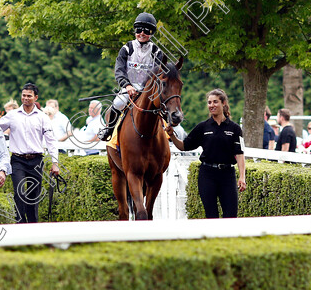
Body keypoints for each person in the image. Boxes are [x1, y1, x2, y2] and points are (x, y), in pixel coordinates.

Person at [167, 89, 246, 218]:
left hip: (227, 175)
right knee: (211, 215)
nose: (211, 105)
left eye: (215, 102)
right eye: (209, 102)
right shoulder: (202, 127)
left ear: (223, 103)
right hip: (207, 175)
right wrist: (172, 135)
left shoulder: (235, 128)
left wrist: (242, 176)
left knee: (231, 216)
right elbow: (184, 146)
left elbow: (240, 153)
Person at [0, 82, 60, 223]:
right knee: (19, 193)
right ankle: (20, 223)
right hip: (18, 160)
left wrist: (55, 163)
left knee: (33, 196)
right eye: (23, 95)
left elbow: (51, 140)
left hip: (36, 161)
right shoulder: (12, 115)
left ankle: (32, 224)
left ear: (35, 98)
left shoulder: (42, 117)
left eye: (29, 96)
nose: (25, 98)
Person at [99, 12, 165, 141]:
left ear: (151, 33)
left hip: (148, 90)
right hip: (129, 87)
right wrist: (127, 85)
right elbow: (119, 70)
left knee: (164, 105)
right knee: (118, 103)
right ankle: (109, 129)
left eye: (146, 31)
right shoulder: (126, 48)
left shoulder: (157, 51)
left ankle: (169, 131)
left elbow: (158, 74)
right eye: (138, 30)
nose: (141, 33)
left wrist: (147, 89)